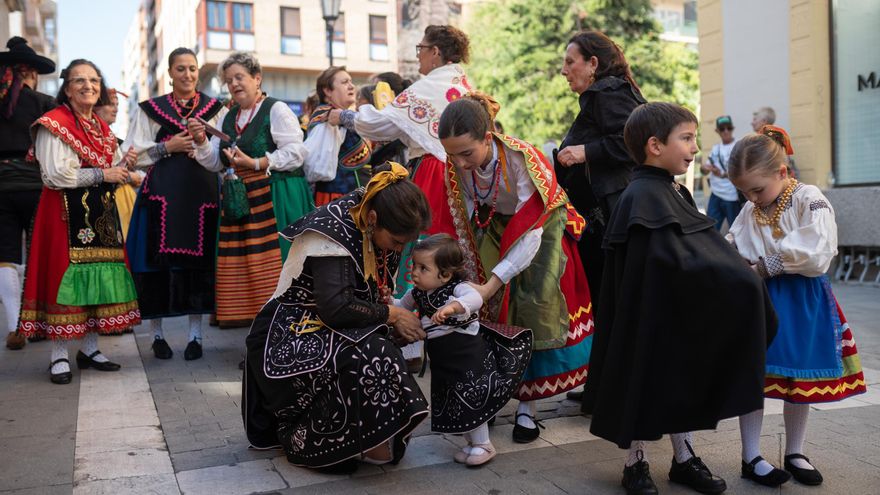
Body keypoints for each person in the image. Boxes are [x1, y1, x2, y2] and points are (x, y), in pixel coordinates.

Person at [582, 102, 776, 495]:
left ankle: (684, 458)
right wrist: (728, 274)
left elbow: (695, 249)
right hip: (646, 316)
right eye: (686, 138)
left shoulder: (676, 190)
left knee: (679, 378)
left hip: (675, 312)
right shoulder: (639, 196)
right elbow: (665, 258)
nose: (693, 148)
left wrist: (733, 273)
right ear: (655, 145)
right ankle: (635, 462)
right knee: (642, 379)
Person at [242, 163, 431, 473]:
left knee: (379, 345)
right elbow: (336, 308)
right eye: (397, 241)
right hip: (289, 331)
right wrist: (392, 314)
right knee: (372, 352)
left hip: (326, 324)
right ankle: (316, 438)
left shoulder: (376, 211)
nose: (400, 249)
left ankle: (362, 436)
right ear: (373, 220)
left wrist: (388, 313)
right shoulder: (334, 231)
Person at [437, 94, 594, 444]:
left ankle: (528, 407)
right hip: (492, 225)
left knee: (531, 309)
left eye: (467, 153)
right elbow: (465, 219)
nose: (461, 163)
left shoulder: (524, 159)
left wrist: (492, 284)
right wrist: (474, 276)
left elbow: (530, 232)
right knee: (490, 316)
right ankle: (491, 399)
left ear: (488, 139)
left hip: (540, 230)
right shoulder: (457, 166)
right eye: (452, 155)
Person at [727, 126, 866, 488]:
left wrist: (765, 265)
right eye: (745, 191)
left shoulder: (809, 197)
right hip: (761, 299)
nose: (752, 198)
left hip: (803, 298)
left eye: (757, 189)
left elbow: (818, 247)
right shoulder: (750, 207)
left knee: (799, 380)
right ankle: (751, 455)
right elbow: (735, 240)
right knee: (754, 374)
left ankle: (796, 451)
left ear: (782, 172)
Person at [328, 27, 473, 366]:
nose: (419, 54)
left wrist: (344, 116)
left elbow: (383, 123)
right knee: (454, 251)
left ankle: (413, 339)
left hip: (436, 172)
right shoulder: (461, 82)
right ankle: (454, 326)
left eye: (422, 48)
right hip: (461, 173)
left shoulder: (432, 85)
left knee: (420, 247)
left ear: (435, 51)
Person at [19, 59, 141, 384]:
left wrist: (126, 168)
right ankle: (58, 355)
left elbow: (115, 166)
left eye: (94, 80)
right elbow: (55, 173)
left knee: (97, 281)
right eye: (80, 81)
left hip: (99, 215)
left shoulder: (101, 128)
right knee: (66, 280)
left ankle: (89, 349)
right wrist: (106, 173)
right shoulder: (54, 122)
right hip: (64, 213)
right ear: (67, 88)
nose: (88, 86)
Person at [189, 51, 311, 328]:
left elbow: (296, 152)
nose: (234, 84)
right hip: (242, 204)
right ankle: (262, 333)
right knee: (250, 270)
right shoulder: (228, 117)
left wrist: (256, 162)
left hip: (276, 196)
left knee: (279, 267)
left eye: (239, 77)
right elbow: (214, 162)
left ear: (257, 78)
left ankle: (286, 332)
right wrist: (200, 141)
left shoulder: (275, 109)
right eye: (229, 80)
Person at [394, 233, 532, 466]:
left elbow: (474, 299)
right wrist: (390, 303)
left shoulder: (458, 288)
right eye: (414, 266)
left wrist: (453, 308)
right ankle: (471, 443)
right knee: (455, 400)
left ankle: (483, 445)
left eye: (423, 268)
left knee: (470, 397)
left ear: (445, 274)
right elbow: (401, 306)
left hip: (467, 357)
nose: (415, 273)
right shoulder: (417, 293)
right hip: (444, 360)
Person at [125, 47, 226, 357]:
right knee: (154, 265)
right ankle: (157, 335)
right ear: (169, 73)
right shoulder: (150, 109)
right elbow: (131, 155)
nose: (188, 74)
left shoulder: (215, 109)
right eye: (180, 68)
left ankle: (196, 336)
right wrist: (167, 147)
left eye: (192, 68)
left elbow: (226, 149)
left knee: (200, 265)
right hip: (160, 197)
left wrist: (204, 147)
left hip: (203, 194)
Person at [556, 30, 646, 310]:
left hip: (612, 210)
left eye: (571, 62)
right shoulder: (604, 93)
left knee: (613, 291)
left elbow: (635, 141)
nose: (564, 71)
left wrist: (585, 151)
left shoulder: (609, 91)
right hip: (605, 211)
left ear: (593, 63)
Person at [0, 37, 56, 350]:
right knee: (38, 255)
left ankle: (13, 327)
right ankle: (39, 324)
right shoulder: (43, 104)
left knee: (6, 257)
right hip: (36, 187)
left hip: (1, 189)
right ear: (31, 74)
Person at [303, 66, 372, 206]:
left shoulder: (339, 116)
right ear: (327, 91)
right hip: (336, 199)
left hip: (348, 195)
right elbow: (316, 168)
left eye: (351, 81)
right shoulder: (327, 119)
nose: (351, 86)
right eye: (344, 82)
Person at [94, 88, 143, 243]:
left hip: (123, 200)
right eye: (111, 104)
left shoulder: (116, 141)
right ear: (95, 107)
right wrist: (130, 175)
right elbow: (105, 172)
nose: (115, 109)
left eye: (117, 105)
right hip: (105, 202)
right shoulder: (93, 138)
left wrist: (127, 165)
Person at [700, 115, 742, 231]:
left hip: (732, 196)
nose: (726, 131)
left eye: (728, 128)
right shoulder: (715, 148)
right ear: (717, 131)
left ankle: (736, 250)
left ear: (732, 128)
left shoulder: (739, 147)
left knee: (736, 231)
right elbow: (704, 171)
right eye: (722, 129)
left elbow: (742, 172)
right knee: (711, 230)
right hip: (715, 193)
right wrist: (704, 168)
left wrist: (722, 174)